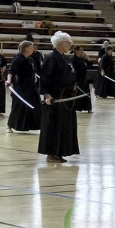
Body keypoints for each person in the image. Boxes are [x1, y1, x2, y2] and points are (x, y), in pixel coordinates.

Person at [38, 32, 81, 162]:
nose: (70, 45)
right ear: (61, 43)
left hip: (66, 98)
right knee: (53, 125)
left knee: (64, 126)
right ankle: (50, 153)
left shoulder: (66, 59)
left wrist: (74, 85)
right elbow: (44, 78)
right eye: (68, 43)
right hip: (54, 98)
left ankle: (61, 151)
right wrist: (47, 95)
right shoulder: (50, 58)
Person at [6, 41, 42, 133]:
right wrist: (9, 81)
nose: (33, 49)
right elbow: (11, 71)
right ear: (26, 48)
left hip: (31, 86)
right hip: (20, 87)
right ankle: (9, 126)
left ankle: (36, 125)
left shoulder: (30, 59)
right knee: (18, 106)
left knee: (36, 104)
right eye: (31, 47)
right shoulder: (18, 59)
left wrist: (35, 77)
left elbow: (33, 71)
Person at [71, 45, 94, 114]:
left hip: (84, 80)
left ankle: (88, 108)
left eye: (82, 50)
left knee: (86, 93)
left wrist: (87, 58)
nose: (82, 51)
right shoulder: (73, 60)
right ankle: (76, 108)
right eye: (80, 50)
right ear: (76, 51)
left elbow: (90, 65)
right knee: (78, 94)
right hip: (77, 80)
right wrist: (74, 81)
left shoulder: (83, 59)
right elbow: (72, 71)